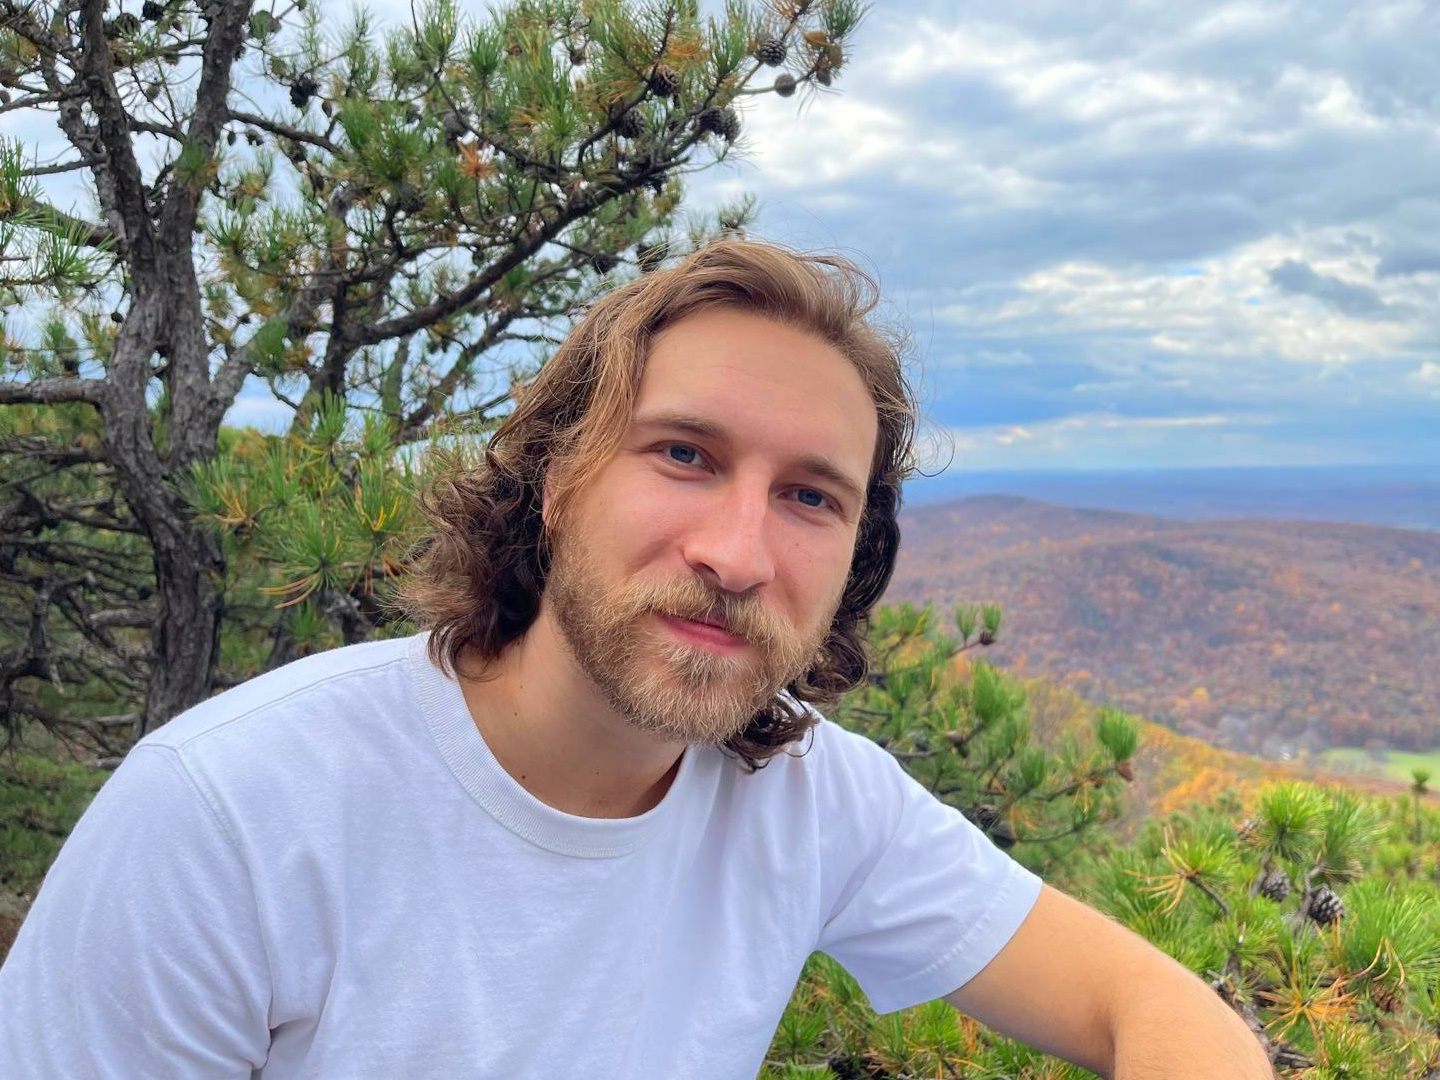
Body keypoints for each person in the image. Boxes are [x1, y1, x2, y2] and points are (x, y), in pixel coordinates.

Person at [0, 241, 1271, 1078]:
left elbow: (1154, 1011)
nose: (736, 550)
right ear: (557, 478)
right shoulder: (229, 818)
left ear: (850, 568)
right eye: (683, 455)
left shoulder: (814, 802)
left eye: (811, 498)